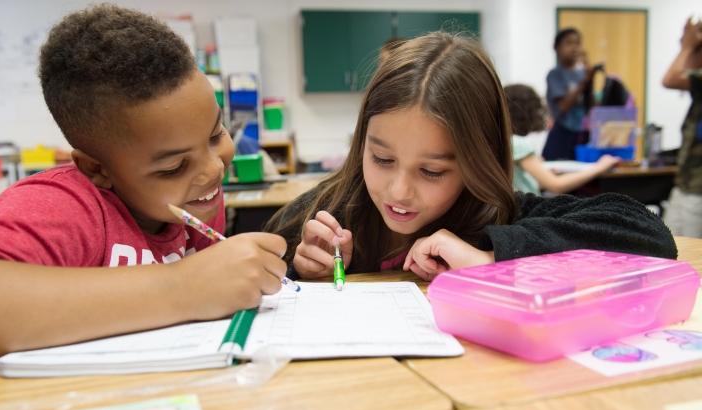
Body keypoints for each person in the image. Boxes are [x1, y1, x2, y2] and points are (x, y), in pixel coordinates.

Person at [0, 4, 288, 366]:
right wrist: (183, 287)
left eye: (216, 134)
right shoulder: (68, 205)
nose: (212, 169)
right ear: (96, 169)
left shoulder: (194, 199)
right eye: (173, 166)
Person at [264, 32, 676, 282]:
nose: (399, 190)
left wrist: (491, 258)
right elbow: (253, 288)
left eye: (431, 170)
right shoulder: (329, 210)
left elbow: (649, 235)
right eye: (382, 159)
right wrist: (304, 272)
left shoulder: (496, 215)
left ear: (479, 161)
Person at [504, 84, 620, 195]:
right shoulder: (518, 143)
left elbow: (518, 185)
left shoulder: (505, 141)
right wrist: (599, 167)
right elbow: (557, 186)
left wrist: (543, 176)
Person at [662, 17, 702, 238]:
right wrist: (687, 45)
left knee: (693, 258)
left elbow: (671, 79)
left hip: (698, 191)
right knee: (667, 249)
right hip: (686, 186)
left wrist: (687, 46)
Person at [542, 28, 603, 160]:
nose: (574, 48)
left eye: (577, 43)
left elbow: (592, 107)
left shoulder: (582, 74)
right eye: (569, 43)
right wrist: (583, 84)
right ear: (556, 48)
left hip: (582, 135)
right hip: (561, 135)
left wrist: (590, 83)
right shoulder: (555, 75)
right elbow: (563, 107)